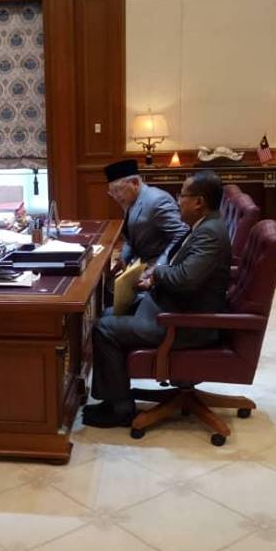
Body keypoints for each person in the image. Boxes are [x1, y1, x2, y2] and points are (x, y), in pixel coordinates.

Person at [84, 170, 232, 428]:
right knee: (108, 314)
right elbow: (181, 267)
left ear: (199, 202)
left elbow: (185, 278)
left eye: (182, 195)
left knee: (103, 328)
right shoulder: (203, 225)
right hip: (173, 307)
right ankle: (114, 398)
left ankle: (120, 410)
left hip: (185, 323)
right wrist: (153, 277)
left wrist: (156, 273)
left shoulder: (209, 233)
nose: (178, 201)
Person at [105, 159, 189, 273]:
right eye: (112, 193)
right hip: (141, 263)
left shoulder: (157, 200)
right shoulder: (130, 200)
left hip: (161, 267)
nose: (116, 197)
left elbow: (182, 234)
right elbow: (132, 239)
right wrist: (124, 258)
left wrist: (159, 266)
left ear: (135, 183)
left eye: (118, 190)